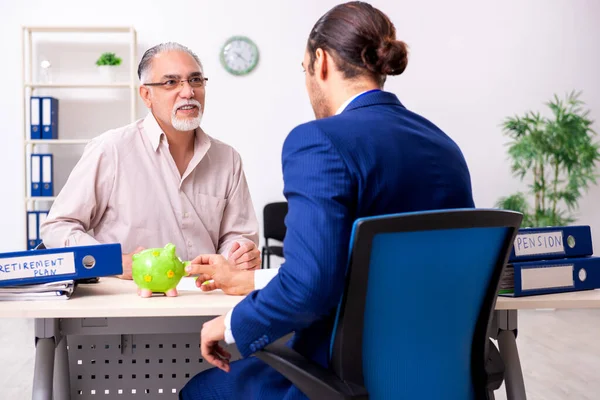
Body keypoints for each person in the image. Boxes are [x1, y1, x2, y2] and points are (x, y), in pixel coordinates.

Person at [181, 1, 475, 398]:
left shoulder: (318, 141)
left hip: (345, 375)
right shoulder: (443, 145)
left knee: (203, 389)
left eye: (304, 70)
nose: (307, 83)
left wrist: (232, 325)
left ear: (320, 62)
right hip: (435, 370)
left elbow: (311, 287)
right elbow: (361, 273)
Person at [40, 42, 261, 286]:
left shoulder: (227, 159)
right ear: (147, 95)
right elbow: (58, 227)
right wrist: (114, 261)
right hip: (128, 303)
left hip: (205, 299)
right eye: (171, 82)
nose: (188, 92)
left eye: (195, 80)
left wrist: (239, 253)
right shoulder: (111, 149)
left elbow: (237, 235)